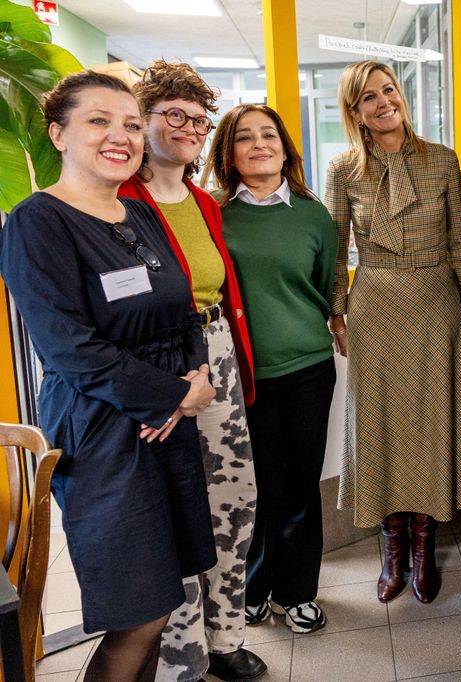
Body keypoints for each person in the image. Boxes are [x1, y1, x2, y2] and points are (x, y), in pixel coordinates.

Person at [0, 71, 216, 681]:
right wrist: (173, 396)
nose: (119, 136)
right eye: (98, 120)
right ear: (59, 133)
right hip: (102, 432)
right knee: (138, 609)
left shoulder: (138, 215)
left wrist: (192, 377)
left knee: (161, 598)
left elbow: (183, 310)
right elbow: (67, 346)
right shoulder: (36, 222)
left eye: (128, 124)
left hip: (164, 425)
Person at [117, 60, 264, 682]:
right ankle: (184, 655)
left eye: (198, 119)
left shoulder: (205, 200)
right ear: (143, 119)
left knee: (235, 499)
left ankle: (226, 634)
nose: (188, 127)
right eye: (173, 114)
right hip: (161, 367)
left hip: (219, 354)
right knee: (181, 510)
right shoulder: (121, 200)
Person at [326, 60, 461, 604]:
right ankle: (391, 548)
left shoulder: (442, 160)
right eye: (368, 97)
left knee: (432, 423)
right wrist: (336, 312)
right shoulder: (343, 170)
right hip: (376, 305)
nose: (382, 102)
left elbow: (458, 239)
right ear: (356, 112)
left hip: (436, 303)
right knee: (380, 427)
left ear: (402, 96)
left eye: (388, 90)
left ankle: (424, 546)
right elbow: (335, 244)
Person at [204, 104, 338, 634]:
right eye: (245, 138)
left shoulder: (312, 214)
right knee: (255, 487)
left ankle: (299, 591)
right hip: (241, 376)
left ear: (285, 148)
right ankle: (254, 588)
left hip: (308, 366)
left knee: (302, 483)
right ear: (229, 154)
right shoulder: (213, 215)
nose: (260, 144)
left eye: (269, 135)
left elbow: (325, 285)